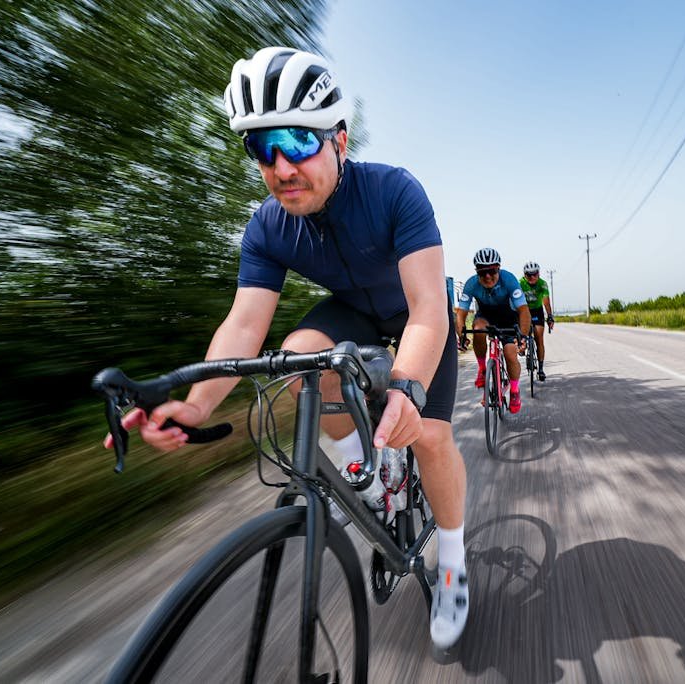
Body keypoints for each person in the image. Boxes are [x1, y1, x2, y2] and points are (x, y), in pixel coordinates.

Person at [109, 47, 469, 649]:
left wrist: (406, 389)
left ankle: (455, 560)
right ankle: (372, 470)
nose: (280, 166)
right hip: (354, 314)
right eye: (260, 146)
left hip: (413, 315)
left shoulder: (395, 191)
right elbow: (243, 326)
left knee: (429, 436)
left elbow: (429, 308)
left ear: (340, 141)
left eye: (298, 141)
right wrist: (198, 405)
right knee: (300, 351)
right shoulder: (267, 227)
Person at [455, 248, 530, 413]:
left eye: (492, 271)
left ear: (498, 268)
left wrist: (522, 336)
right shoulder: (471, 284)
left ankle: (515, 391)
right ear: (477, 272)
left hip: (509, 318)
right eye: (483, 272)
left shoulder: (509, 280)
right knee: (478, 329)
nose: (488, 276)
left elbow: (524, 311)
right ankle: (483, 369)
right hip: (486, 317)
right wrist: (460, 334)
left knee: (510, 354)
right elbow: (461, 313)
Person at [519, 261, 554, 381]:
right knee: (522, 332)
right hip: (524, 311)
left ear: (538, 274)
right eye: (529, 275)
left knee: (539, 338)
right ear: (525, 275)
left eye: (535, 274)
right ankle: (522, 345)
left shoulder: (542, 284)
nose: (532, 277)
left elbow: (546, 301)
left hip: (537, 311)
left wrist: (549, 316)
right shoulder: (520, 283)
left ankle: (540, 369)